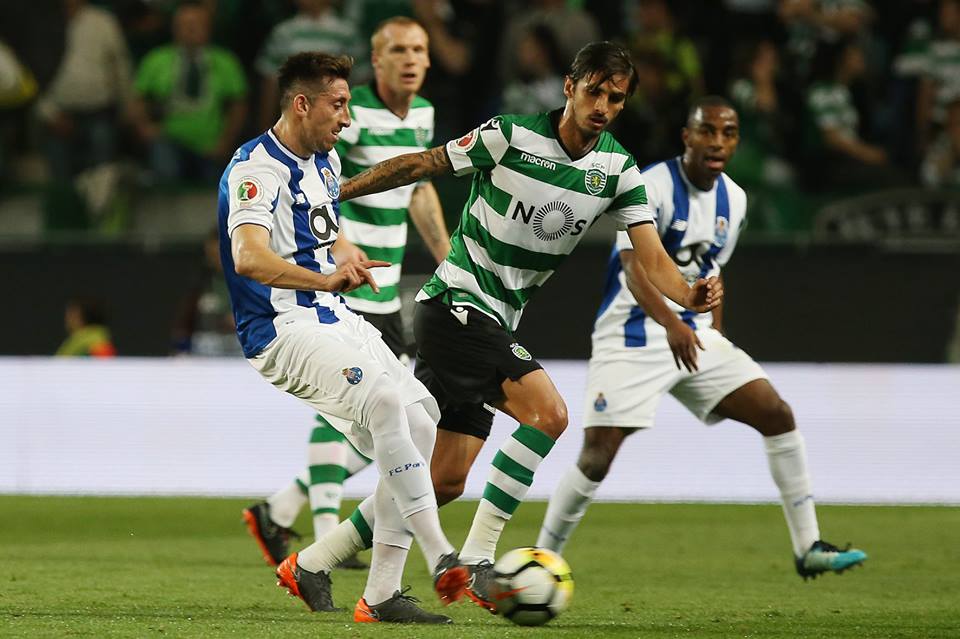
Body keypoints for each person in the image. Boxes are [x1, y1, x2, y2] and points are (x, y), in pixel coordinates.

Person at [295, 41, 723, 612]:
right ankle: (477, 559)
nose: (602, 106)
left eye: (616, 98)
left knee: (442, 482)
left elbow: (652, 259)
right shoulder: (510, 135)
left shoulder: (618, 171)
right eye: (594, 91)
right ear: (569, 86)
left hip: (495, 318)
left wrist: (689, 294)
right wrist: (337, 192)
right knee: (549, 414)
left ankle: (313, 563)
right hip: (455, 305)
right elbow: (421, 164)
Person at [536, 97, 868, 580]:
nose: (717, 142)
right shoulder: (651, 185)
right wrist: (670, 324)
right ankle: (541, 561)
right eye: (707, 131)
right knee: (598, 456)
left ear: (736, 142)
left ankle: (808, 547)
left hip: (694, 334)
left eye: (727, 133)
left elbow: (712, 272)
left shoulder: (735, 198)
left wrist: (715, 334)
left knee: (776, 415)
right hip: (632, 335)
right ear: (687, 137)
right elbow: (633, 269)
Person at [218, 51, 467, 624]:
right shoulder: (257, 169)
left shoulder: (324, 162)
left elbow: (320, 234)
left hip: (332, 315)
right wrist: (322, 278)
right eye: (338, 104)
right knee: (383, 402)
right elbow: (249, 256)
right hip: (279, 328)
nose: (347, 118)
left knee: (423, 420)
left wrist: (343, 255)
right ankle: (441, 554)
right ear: (302, 104)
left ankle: (371, 591)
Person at [130, 1, 247, 182]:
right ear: (174, 28)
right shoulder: (155, 60)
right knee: (166, 176)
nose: (190, 30)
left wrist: (226, 142)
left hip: (210, 143)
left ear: (208, 28)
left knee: (214, 184)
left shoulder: (226, 62)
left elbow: (239, 106)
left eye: (196, 25)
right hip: (168, 139)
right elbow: (137, 99)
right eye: (184, 25)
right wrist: (144, 129)